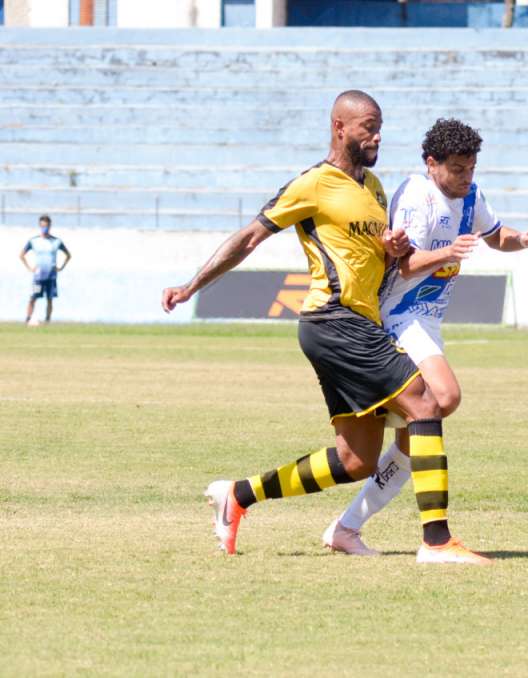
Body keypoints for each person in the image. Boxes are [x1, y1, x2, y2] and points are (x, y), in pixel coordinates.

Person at [161, 90, 489, 564]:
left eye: (380, 127)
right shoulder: (313, 183)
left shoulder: (374, 187)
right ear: (340, 127)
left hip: (359, 320)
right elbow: (250, 236)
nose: (377, 136)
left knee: (356, 461)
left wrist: (392, 246)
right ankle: (437, 541)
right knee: (427, 403)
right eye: (368, 126)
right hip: (333, 317)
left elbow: (379, 254)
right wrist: (193, 285)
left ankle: (238, 495)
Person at [323, 118, 528, 555]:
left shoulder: (472, 195)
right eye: (457, 169)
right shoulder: (417, 197)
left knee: (416, 439)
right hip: (397, 313)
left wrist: (524, 239)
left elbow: (496, 235)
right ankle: (434, 538)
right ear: (432, 164)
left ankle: (347, 527)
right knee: (443, 398)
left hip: (426, 320)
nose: (466, 177)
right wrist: (449, 252)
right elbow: (403, 266)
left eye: (471, 168)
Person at [20, 215, 71, 325]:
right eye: (43, 226)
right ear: (40, 226)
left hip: (51, 276)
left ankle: (47, 321)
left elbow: (68, 255)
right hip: (38, 277)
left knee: (50, 299)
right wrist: (30, 268)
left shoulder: (56, 241)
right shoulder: (34, 241)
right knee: (33, 297)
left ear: (50, 226)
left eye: (47, 226)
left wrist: (61, 267)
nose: (45, 228)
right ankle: (28, 319)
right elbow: (21, 255)